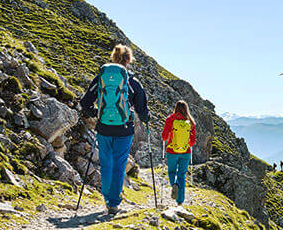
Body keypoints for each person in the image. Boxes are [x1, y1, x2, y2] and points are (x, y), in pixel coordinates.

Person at [78, 44, 150, 215]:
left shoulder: (101, 78)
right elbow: (142, 108)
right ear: (129, 60)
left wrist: (97, 113)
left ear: (114, 58)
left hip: (103, 128)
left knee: (106, 164)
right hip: (124, 130)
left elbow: (84, 103)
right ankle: (113, 203)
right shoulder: (132, 81)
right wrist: (146, 118)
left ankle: (107, 199)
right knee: (119, 165)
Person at [161, 99, 197, 205]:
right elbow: (193, 140)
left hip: (172, 151)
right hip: (185, 152)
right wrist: (186, 146)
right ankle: (180, 201)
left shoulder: (170, 119)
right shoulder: (190, 121)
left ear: (175, 108)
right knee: (182, 174)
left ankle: (174, 184)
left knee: (172, 172)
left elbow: (164, 136)